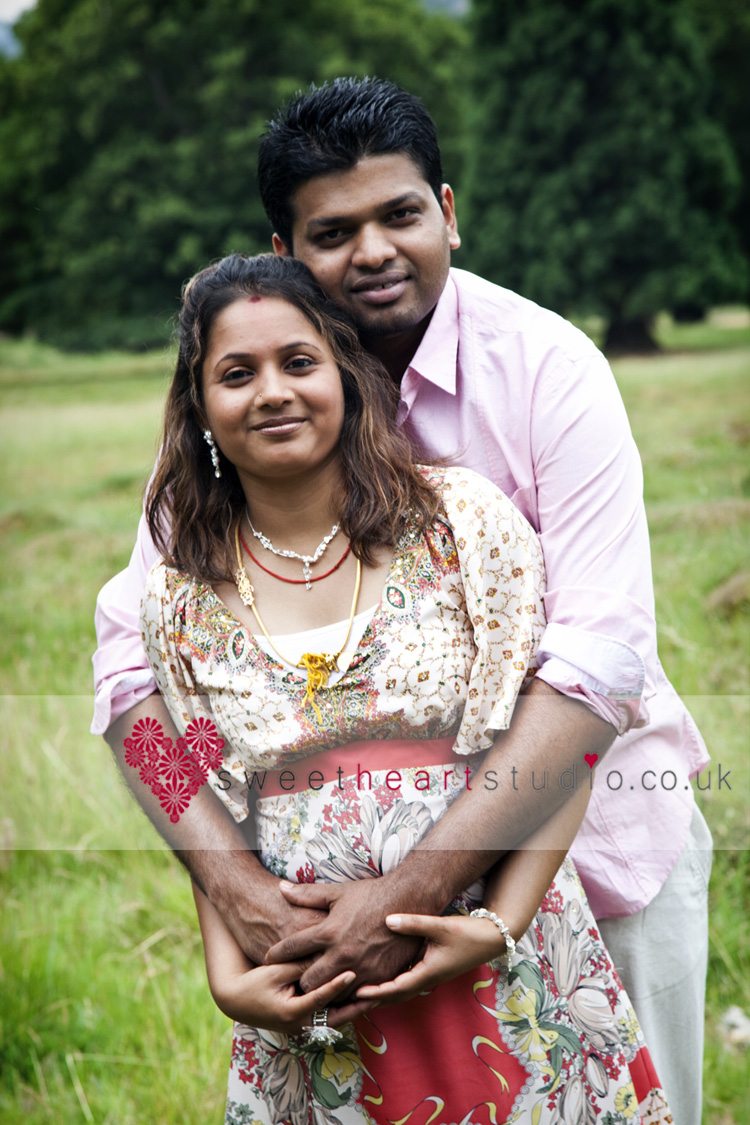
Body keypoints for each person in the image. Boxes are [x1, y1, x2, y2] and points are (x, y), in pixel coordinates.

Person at [93, 78, 711, 1124]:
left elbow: (593, 668)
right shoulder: (239, 425)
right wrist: (239, 903)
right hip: (321, 935)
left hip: (590, 858)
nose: (375, 251)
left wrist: (424, 896)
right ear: (286, 250)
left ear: (450, 213)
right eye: (335, 231)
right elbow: (135, 686)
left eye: (402, 215)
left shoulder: (548, 373)